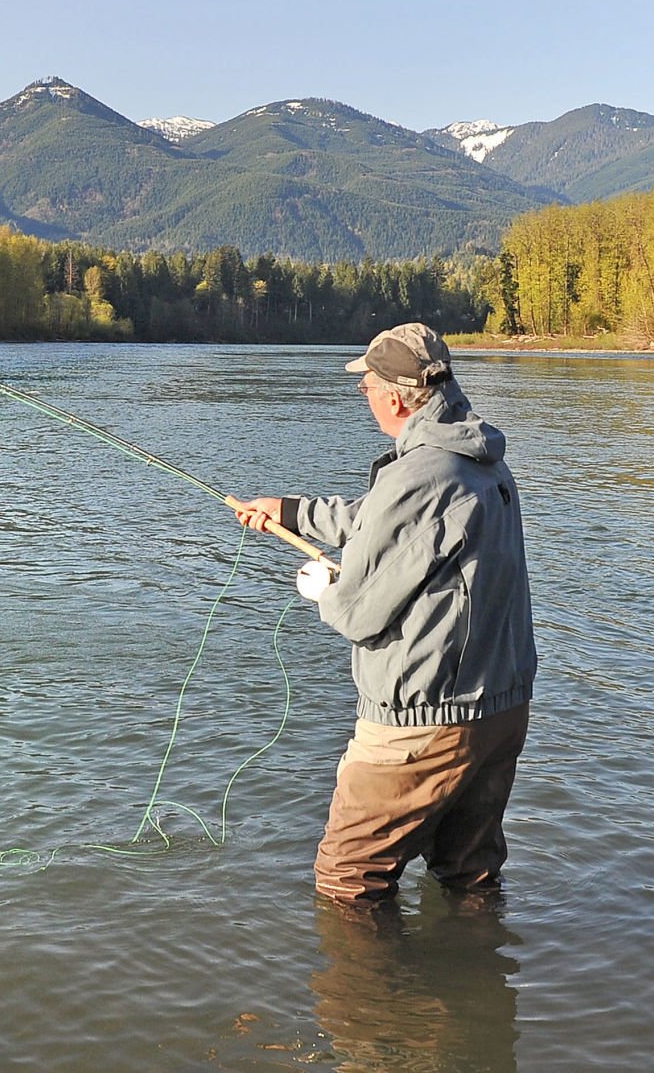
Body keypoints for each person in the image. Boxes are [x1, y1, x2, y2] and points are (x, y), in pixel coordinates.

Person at [234, 323, 536, 905]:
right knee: (467, 877)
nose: (363, 394)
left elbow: (358, 611)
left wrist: (325, 587)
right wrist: (290, 512)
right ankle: (472, 986)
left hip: (424, 721)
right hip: (500, 709)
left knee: (348, 881)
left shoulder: (419, 476)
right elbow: (382, 520)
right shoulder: (478, 459)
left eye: (367, 384)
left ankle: (366, 998)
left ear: (394, 397)